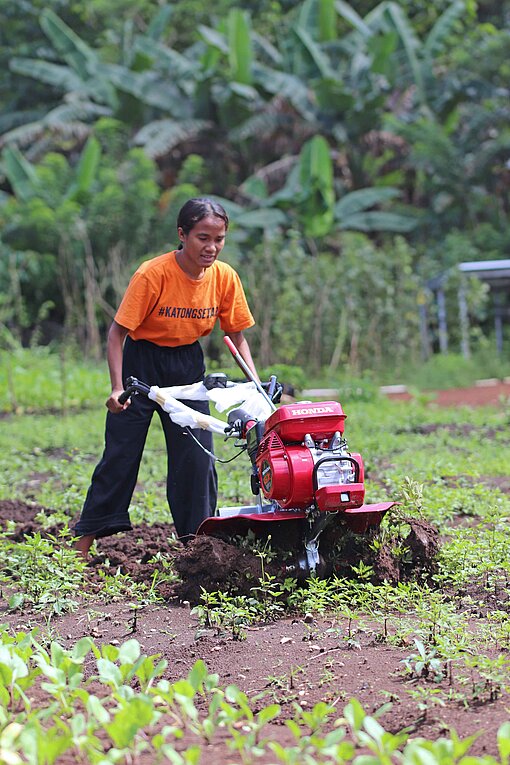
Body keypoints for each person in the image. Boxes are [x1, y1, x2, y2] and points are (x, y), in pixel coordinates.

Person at [74, 197, 258, 558]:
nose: (212, 247)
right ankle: (82, 544)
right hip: (141, 367)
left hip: (188, 366)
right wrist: (116, 388)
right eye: (203, 237)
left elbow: (236, 336)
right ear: (182, 234)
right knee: (121, 455)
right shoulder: (153, 274)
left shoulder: (224, 277)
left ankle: (197, 544)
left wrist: (254, 382)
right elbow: (116, 334)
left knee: (197, 457)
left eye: (219, 239)